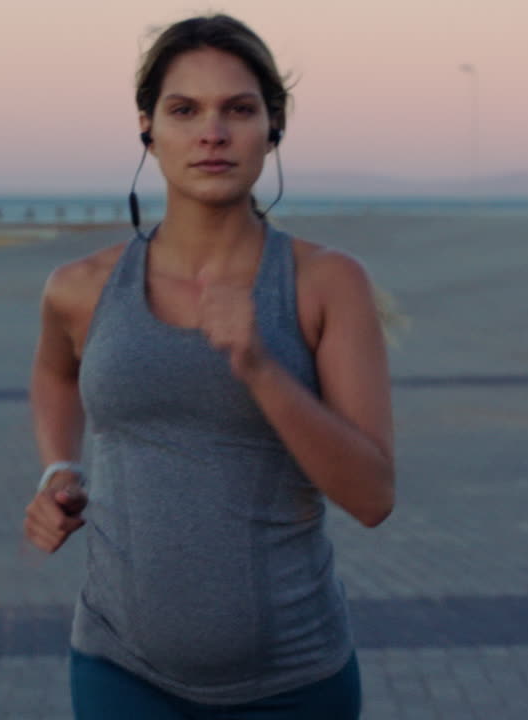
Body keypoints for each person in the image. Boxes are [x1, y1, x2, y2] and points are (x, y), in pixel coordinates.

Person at [23, 14, 395, 719]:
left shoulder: (325, 283)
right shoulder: (81, 288)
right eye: (184, 109)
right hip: (117, 672)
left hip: (294, 684)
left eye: (240, 109)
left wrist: (259, 368)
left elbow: (373, 496)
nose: (212, 133)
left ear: (274, 127)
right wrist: (57, 470)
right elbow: (55, 375)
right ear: (147, 127)